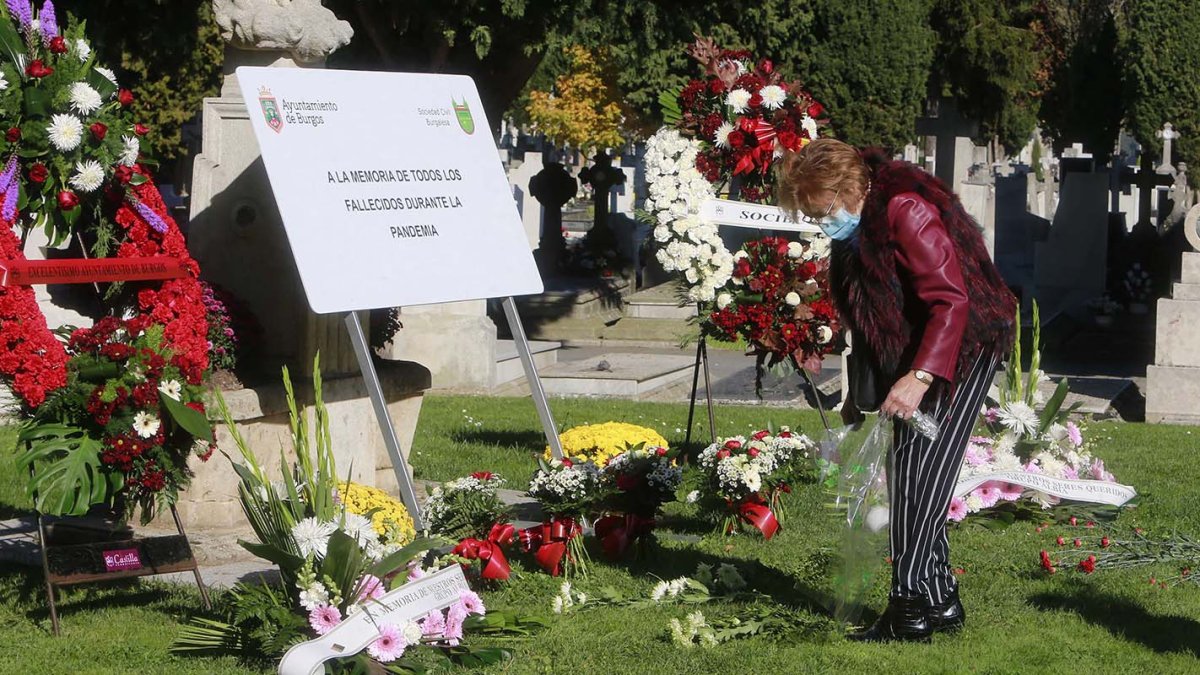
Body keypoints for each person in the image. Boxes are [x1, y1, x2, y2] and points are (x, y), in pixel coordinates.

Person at [777, 138, 1017, 642]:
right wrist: (857, 393)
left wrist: (920, 376)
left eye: (821, 210)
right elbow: (871, 319)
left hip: (962, 347)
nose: (821, 222)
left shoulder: (904, 210)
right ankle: (939, 599)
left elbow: (950, 301)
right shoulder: (859, 226)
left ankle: (907, 609)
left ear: (846, 189)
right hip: (919, 352)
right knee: (911, 474)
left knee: (918, 483)